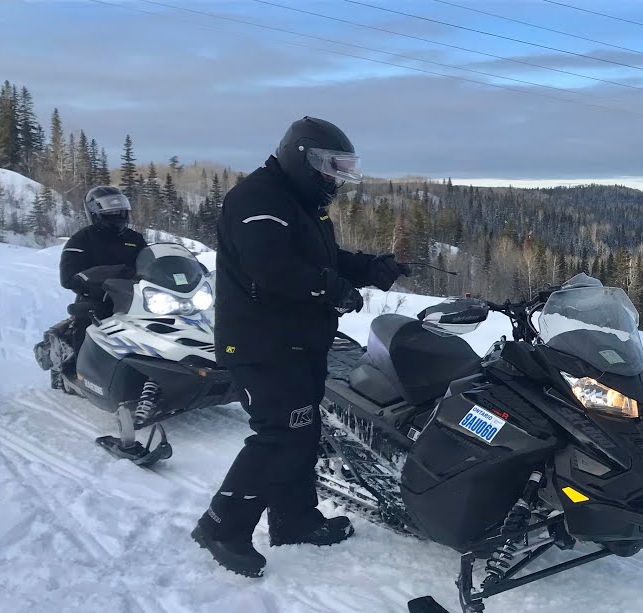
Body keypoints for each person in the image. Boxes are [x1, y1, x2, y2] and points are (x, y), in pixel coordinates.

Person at [191, 116, 410, 578]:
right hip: (261, 344)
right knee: (279, 435)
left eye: (342, 168)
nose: (335, 177)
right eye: (331, 166)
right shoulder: (258, 200)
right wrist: (333, 289)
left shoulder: (298, 201)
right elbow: (272, 269)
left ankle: (294, 519)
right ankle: (220, 526)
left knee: (304, 433)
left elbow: (320, 259)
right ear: (302, 156)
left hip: (298, 341)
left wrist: (370, 267)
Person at [40, 186, 145, 384]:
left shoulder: (135, 239)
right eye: (110, 211)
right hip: (97, 297)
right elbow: (69, 277)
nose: (116, 214)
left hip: (135, 296)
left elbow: (152, 261)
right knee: (87, 323)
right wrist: (108, 274)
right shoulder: (81, 240)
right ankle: (82, 375)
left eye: (119, 210)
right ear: (95, 212)